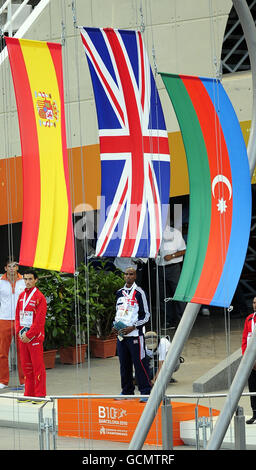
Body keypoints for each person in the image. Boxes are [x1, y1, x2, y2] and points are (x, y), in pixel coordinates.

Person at [112, 267, 152, 402]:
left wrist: (133, 327)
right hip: (121, 336)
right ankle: (127, 391)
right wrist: (114, 325)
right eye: (126, 274)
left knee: (140, 363)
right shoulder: (119, 293)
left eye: (131, 274)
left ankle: (146, 392)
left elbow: (146, 316)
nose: (128, 276)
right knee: (124, 364)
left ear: (135, 276)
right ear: (123, 276)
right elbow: (118, 312)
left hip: (135, 335)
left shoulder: (140, 293)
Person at [15, 269, 47, 401]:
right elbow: (17, 315)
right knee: (26, 366)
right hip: (23, 337)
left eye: (30, 279)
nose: (27, 282)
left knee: (37, 366)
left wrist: (30, 334)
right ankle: (28, 393)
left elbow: (39, 320)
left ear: (35, 280)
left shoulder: (40, 297)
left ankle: (40, 394)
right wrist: (19, 331)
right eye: (25, 279)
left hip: (34, 338)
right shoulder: (22, 296)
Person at [0, 258, 25, 389]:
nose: (11, 268)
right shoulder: (0, 282)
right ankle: (3, 381)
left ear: (17, 268)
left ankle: (24, 380)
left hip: (21, 319)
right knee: (2, 352)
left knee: (22, 351)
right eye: (9, 266)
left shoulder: (24, 281)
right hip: (4, 319)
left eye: (14, 266)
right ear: (5, 268)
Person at [156, 224, 186, 328]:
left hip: (173, 268)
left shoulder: (175, 233)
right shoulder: (154, 233)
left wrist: (172, 256)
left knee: (177, 294)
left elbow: (184, 250)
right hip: (159, 268)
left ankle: (182, 322)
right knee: (163, 296)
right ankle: (168, 321)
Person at [241, 296, 256, 424]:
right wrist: (247, 359)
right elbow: (245, 340)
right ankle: (255, 413)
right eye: (254, 302)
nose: (255, 305)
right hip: (251, 362)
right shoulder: (249, 319)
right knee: (252, 388)